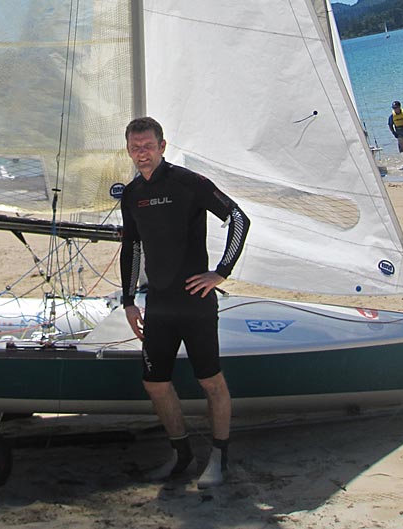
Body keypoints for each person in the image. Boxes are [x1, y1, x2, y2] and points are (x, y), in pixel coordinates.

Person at [119, 117, 250, 489]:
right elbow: (131, 247)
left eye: (148, 146)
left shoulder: (187, 183)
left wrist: (221, 272)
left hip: (195, 301)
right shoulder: (131, 195)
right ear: (129, 150)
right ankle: (181, 455)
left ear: (162, 145)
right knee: (155, 383)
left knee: (210, 380)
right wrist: (129, 300)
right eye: (135, 148)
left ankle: (219, 457)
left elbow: (239, 218)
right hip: (158, 303)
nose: (142, 154)